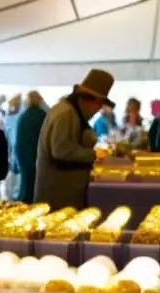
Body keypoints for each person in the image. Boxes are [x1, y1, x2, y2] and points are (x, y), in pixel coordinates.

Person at [36, 69, 114, 209]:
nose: (98, 109)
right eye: (99, 104)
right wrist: (96, 154)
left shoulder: (70, 111)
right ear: (92, 100)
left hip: (64, 192)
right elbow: (61, 151)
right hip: (58, 195)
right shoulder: (66, 114)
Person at [14, 90, 46, 203]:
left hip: (24, 157)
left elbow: (17, 142)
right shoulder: (43, 116)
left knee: (25, 186)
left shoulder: (22, 117)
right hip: (39, 157)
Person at [4, 93, 22, 200]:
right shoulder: (17, 117)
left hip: (13, 157)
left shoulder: (10, 118)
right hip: (15, 158)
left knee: (11, 187)